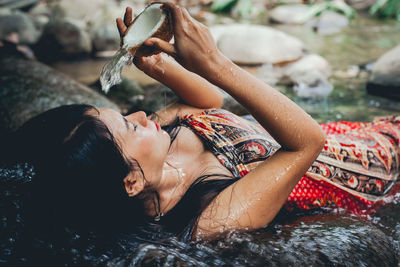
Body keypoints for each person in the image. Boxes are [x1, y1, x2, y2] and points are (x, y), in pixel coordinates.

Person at [12, 2, 399, 241]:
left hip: (349, 135)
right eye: (130, 126)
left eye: (127, 114)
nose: (142, 116)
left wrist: (159, 65)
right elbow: (306, 144)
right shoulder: (207, 219)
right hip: (376, 177)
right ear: (131, 182)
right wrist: (215, 63)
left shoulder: (162, 133)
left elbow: (209, 102)